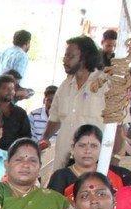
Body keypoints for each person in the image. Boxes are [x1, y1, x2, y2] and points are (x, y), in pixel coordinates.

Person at [43, 36, 107, 173]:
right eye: (65, 56)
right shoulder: (65, 85)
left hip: (92, 162)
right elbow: (55, 118)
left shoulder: (105, 84)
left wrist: (114, 159)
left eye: (70, 56)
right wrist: (45, 138)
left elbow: (118, 127)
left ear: (85, 58)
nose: (65, 60)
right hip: (64, 160)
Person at [46, 123, 131, 196]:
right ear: (73, 148)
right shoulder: (60, 177)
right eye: (82, 146)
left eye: (93, 146)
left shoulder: (122, 175)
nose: (87, 151)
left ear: (102, 149)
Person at [0, 74, 33, 148]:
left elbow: (26, 137)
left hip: (14, 154)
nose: (10, 92)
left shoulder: (20, 113)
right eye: (6, 88)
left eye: (12, 89)